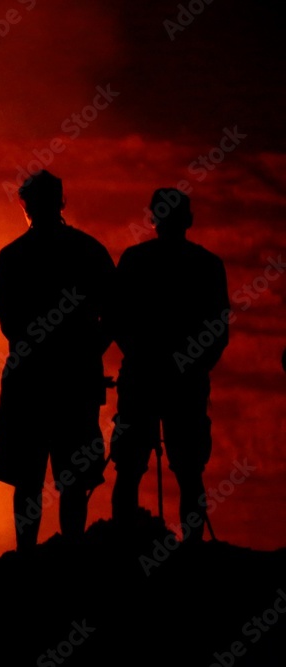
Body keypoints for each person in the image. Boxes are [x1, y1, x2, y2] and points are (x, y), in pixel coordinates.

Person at [0, 170, 114, 554]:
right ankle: (72, 551)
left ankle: (27, 554)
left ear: (25, 204)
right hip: (76, 379)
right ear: (62, 202)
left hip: (29, 380)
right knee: (73, 477)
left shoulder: (12, 256)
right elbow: (115, 313)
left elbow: (8, 323)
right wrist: (90, 349)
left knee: (27, 477)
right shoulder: (89, 251)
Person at [108, 188, 230, 543]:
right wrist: (193, 366)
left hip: (142, 378)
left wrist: (142, 357)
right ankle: (191, 549)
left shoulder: (134, 260)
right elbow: (217, 330)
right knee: (189, 471)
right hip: (185, 382)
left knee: (128, 469)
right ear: (187, 220)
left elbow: (116, 319)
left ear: (154, 219)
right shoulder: (207, 265)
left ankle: (124, 545)